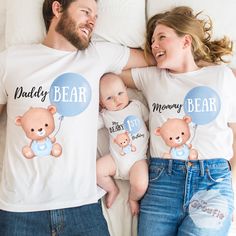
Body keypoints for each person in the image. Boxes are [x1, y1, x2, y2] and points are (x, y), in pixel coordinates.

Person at [0, 0, 150, 235]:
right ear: (57, 9)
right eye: (85, 12)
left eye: (96, 16)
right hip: (19, 208)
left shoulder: (97, 55)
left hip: (81, 206)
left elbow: (160, 58)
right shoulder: (11, 60)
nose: (92, 21)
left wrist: (215, 68)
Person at [120, 6, 236, 236]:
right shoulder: (152, 77)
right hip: (163, 182)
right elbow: (109, 65)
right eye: (152, 41)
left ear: (186, 41)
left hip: (213, 181)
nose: (154, 44)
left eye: (162, 37)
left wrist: (229, 182)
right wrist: (154, 54)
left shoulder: (222, 76)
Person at [97, 73, 149, 216]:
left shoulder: (136, 106)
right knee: (96, 170)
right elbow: (91, 125)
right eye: (109, 98)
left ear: (126, 90)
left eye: (120, 93)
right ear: (101, 102)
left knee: (140, 184)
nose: (117, 99)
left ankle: (132, 199)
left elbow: (149, 122)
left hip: (137, 160)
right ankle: (112, 189)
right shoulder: (106, 115)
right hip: (115, 159)